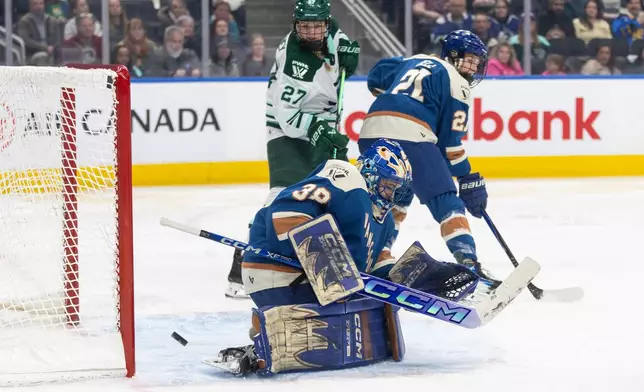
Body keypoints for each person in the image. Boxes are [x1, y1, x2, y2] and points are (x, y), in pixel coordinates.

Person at [211, 139, 477, 376]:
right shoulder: (347, 177)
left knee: (356, 328)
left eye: (395, 188)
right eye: (387, 185)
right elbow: (286, 210)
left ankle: (270, 330)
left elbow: (374, 267)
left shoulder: (382, 221)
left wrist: (418, 277)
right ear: (370, 174)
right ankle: (268, 332)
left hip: (311, 284)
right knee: (340, 326)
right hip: (276, 268)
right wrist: (325, 259)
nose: (390, 194)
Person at [224, 0, 361, 298]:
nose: (312, 33)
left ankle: (329, 260)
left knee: (336, 187)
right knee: (283, 193)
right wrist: (317, 129)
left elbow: (341, 45)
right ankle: (245, 257)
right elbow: (288, 118)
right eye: (305, 27)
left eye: (317, 26)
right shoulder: (295, 61)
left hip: (320, 122)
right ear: (296, 26)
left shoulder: (330, 30)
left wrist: (349, 58)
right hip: (288, 130)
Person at [359, 30, 497, 289]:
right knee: (445, 198)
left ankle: (377, 256)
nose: (472, 68)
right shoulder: (459, 84)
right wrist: (466, 177)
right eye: (468, 60)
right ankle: (469, 263)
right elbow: (450, 145)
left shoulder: (416, 60)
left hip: (370, 130)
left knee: (392, 199)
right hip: (411, 134)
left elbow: (376, 78)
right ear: (452, 58)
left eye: (476, 62)